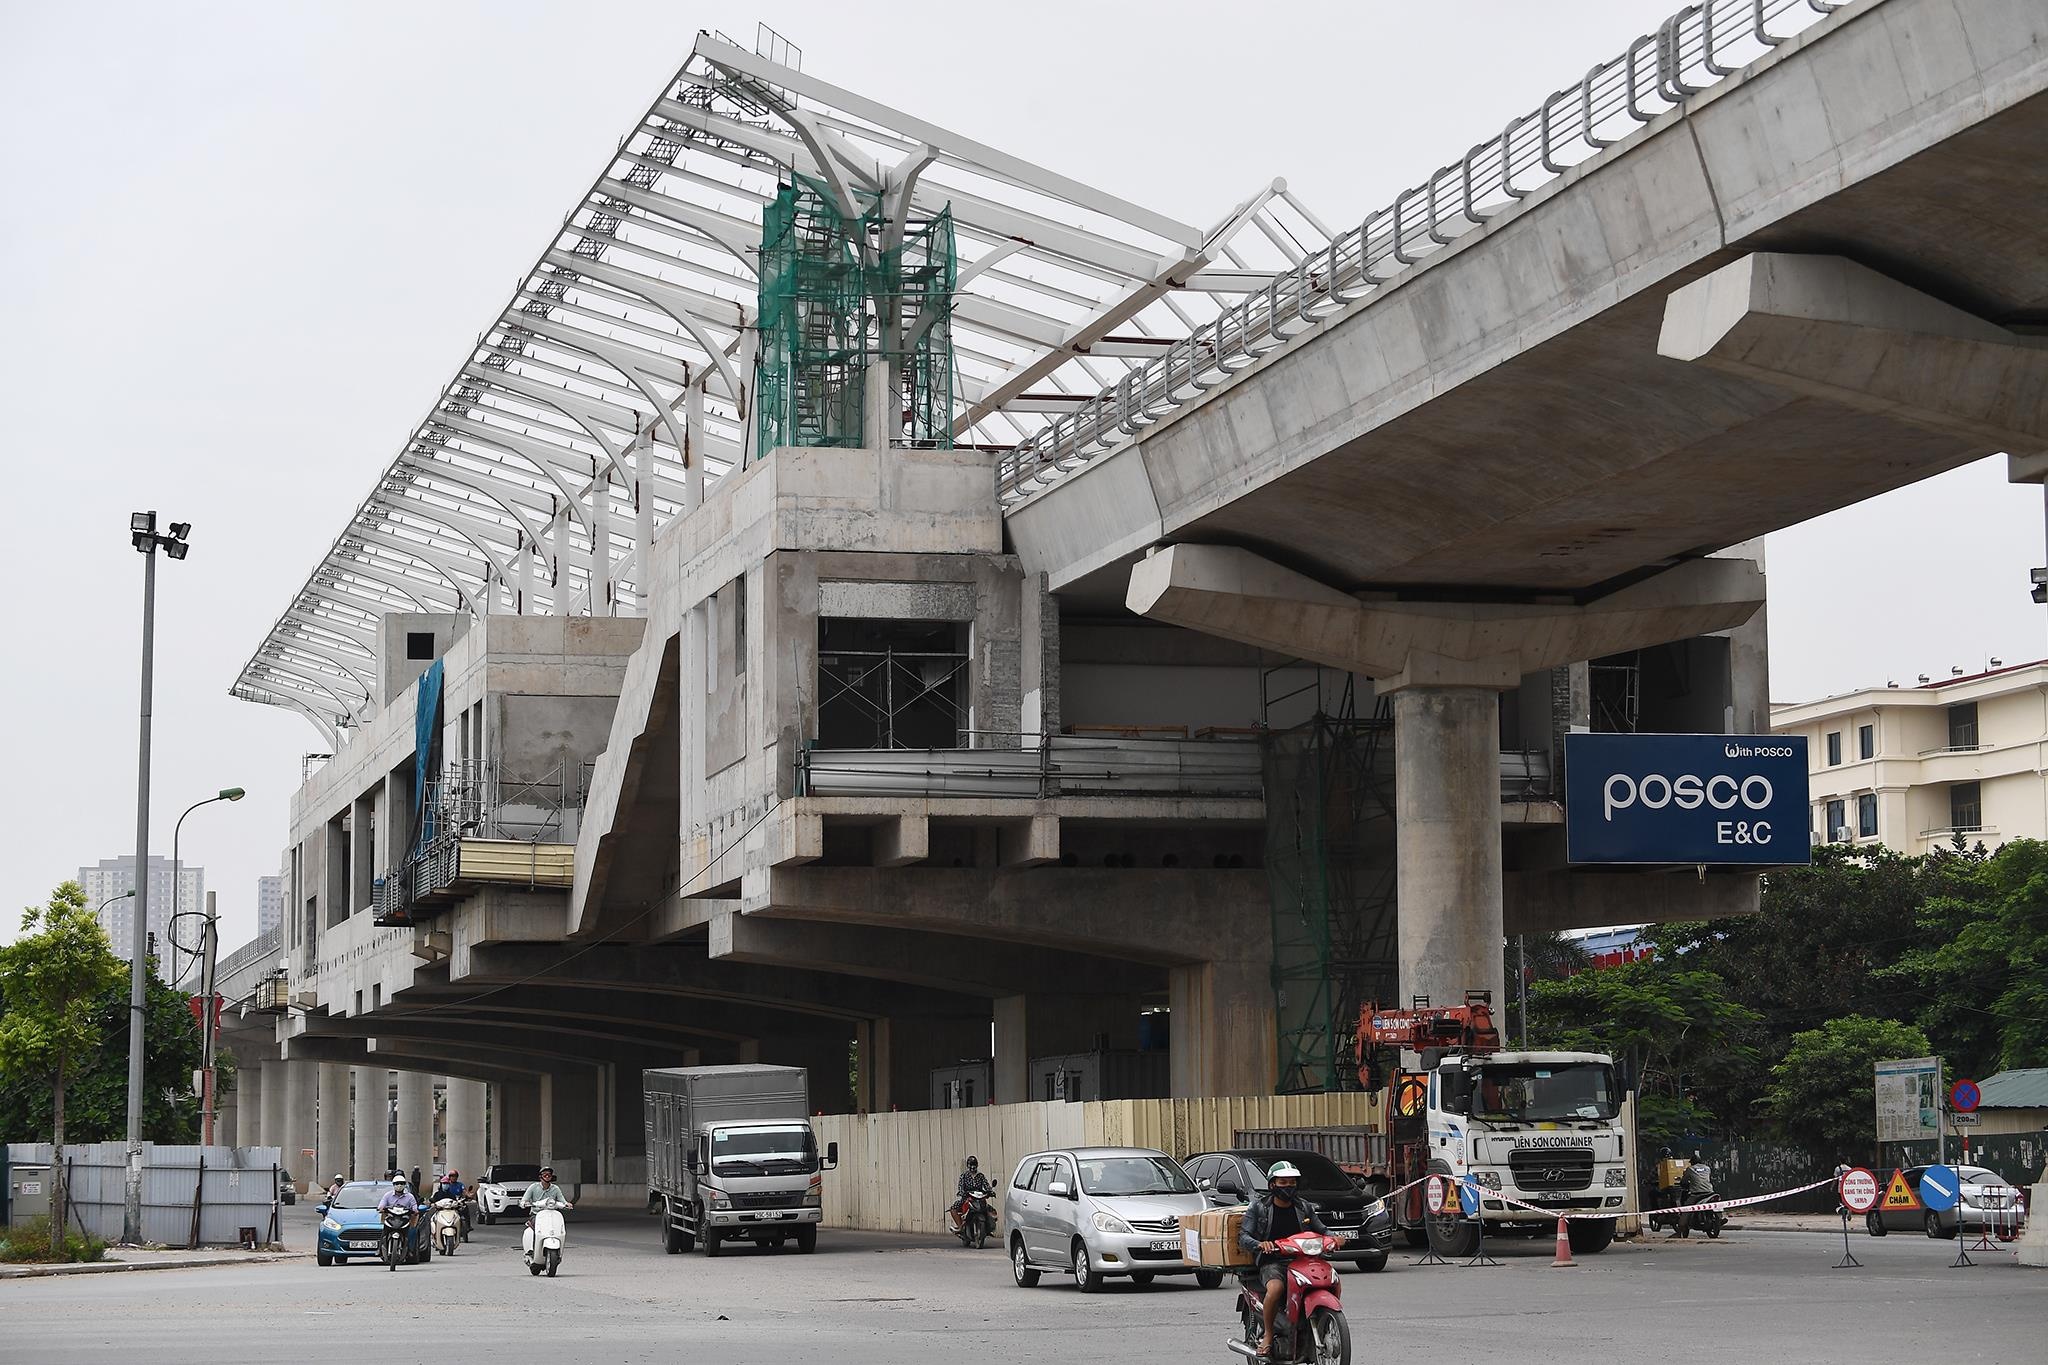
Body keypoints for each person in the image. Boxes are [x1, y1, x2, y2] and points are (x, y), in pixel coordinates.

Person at [1239, 1161, 1331, 1359]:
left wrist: (1334, 1238)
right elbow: (1244, 1236)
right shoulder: (1259, 1207)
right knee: (1276, 1289)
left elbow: (1321, 1229)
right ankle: (1269, 1337)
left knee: (1325, 1281)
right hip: (1272, 1261)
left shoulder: (1304, 1206)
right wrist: (1260, 1244)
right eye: (1283, 1182)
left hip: (1302, 1260)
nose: (1288, 1186)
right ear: (1272, 1184)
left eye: (1292, 1182)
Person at [377, 1174, 421, 1257]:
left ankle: (409, 1250)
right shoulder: (388, 1195)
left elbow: (414, 1207)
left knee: (410, 1233)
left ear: (404, 1185)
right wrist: (381, 1208)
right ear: (393, 1185)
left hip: (404, 1218)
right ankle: (379, 1250)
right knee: (384, 1232)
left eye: (401, 1183)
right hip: (391, 1218)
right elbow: (381, 1205)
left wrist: (415, 1211)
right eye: (397, 1183)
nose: (399, 1186)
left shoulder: (410, 1197)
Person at [952, 1156, 993, 1233]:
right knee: (953, 1208)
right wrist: (962, 1192)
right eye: (971, 1164)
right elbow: (960, 1186)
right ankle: (960, 1227)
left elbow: (986, 1185)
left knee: (991, 1210)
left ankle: (989, 1228)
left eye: (974, 1164)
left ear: (977, 1165)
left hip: (979, 1198)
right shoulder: (964, 1176)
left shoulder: (981, 1176)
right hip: (967, 1197)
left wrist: (990, 1191)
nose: (972, 1166)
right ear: (967, 1165)